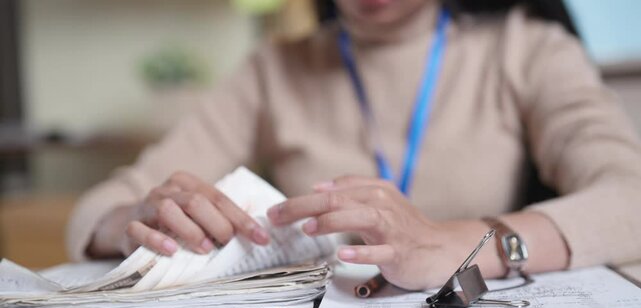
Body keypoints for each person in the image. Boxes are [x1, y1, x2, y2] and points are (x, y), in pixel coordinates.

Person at [67, 0, 641, 290]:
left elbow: (630, 193)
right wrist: (127, 220)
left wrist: (457, 244)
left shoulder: (525, 48)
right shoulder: (275, 68)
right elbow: (93, 211)